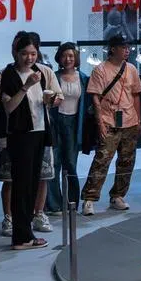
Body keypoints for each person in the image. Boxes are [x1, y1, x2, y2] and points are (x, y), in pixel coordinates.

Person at [0, 31, 60, 250]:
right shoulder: (9, 75)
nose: (29, 58)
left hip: (39, 131)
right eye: (24, 53)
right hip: (19, 135)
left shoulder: (41, 72)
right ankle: (20, 237)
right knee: (20, 185)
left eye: (33, 53)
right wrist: (26, 86)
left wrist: (50, 99)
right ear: (16, 53)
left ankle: (27, 233)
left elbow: (48, 101)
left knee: (32, 183)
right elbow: (8, 107)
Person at [82, 35, 141, 216]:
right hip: (109, 120)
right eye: (123, 47)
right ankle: (89, 198)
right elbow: (95, 97)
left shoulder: (131, 69)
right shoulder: (100, 69)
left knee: (126, 161)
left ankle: (118, 195)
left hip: (130, 121)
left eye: (128, 47)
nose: (127, 50)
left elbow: (136, 95)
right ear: (113, 48)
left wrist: (139, 120)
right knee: (102, 160)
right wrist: (99, 122)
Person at [47, 42, 89, 214]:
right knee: (54, 163)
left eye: (71, 55)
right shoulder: (53, 77)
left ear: (76, 57)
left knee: (70, 164)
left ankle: (71, 202)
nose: (68, 59)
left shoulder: (84, 78)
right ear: (59, 58)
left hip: (74, 123)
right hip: (56, 122)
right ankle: (54, 204)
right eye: (64, 55)